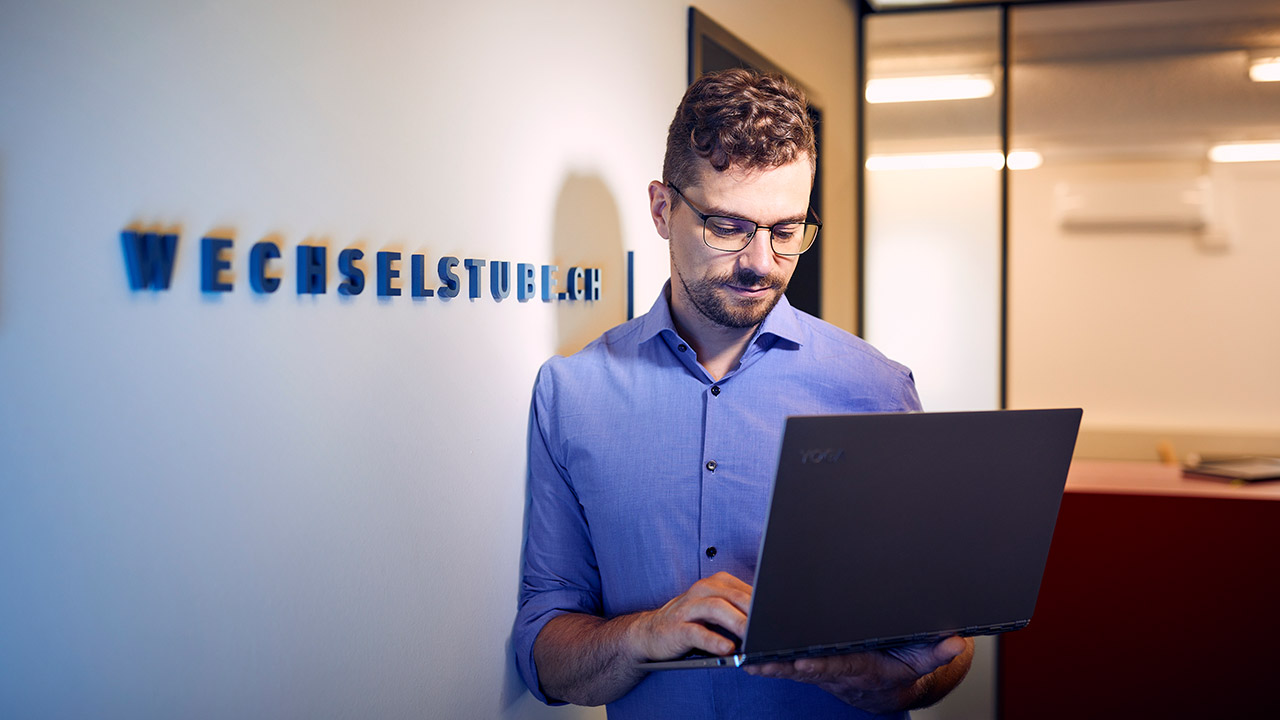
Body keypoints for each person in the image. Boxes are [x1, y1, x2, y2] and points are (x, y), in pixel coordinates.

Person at [513, 68, 974, 718]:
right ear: (662, 209)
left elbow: (945, 646)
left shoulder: (876, 387)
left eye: (786, 230)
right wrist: (645, 638)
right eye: (729, 226)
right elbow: (544, 653)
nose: (761, 263)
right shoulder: (571, 394)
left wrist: (888, 681)